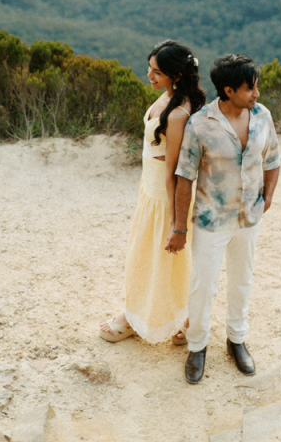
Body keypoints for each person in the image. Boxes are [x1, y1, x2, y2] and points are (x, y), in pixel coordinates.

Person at [167, 53, 281, 384]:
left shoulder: (262, 116)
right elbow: (184, 178)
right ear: (228, 91)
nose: (257, 94)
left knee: (242, 279)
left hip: (249, 218)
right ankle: (197, 346)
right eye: (250, 88)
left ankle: (236, 340)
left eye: (256, 86)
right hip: (211, 220)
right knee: (204, 285)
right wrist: (179, 227)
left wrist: (268, 198)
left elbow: (273, 160)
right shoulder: (200, 124)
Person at [100, 39, 206, 345]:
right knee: (145, 257)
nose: (149, 75)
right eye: (149, 68)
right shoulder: (168, 97)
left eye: (157, 71)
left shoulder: (178, 113)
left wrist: (176, 224)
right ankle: (145, 315)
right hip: (150, 190)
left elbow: (175, 173)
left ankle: (170, 318)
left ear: (176, 75)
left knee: (164, 261)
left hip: (164, 197)